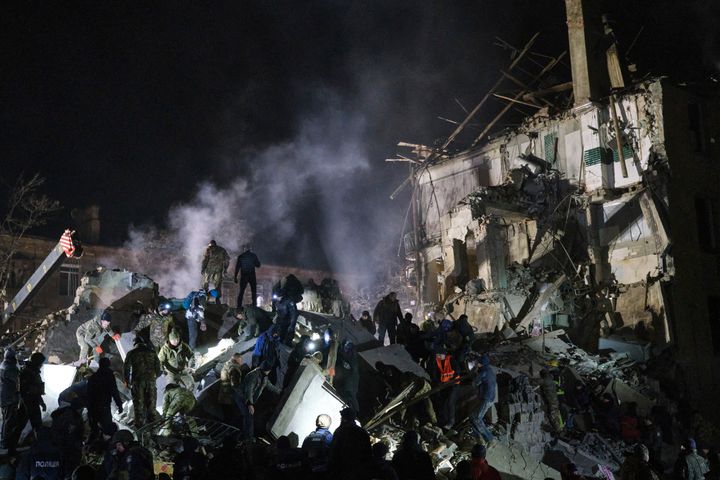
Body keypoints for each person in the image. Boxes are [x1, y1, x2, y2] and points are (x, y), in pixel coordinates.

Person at [5, 352, 47, 455]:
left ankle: (13, 448)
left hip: (31, 402)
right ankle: (13, 448)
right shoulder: (27, 372)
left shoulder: (32, 371)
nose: (41, 365)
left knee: (26, 426)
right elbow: (24, 391)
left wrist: (41, 402)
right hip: (28, 402)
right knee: (33, 426)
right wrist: (28, 405)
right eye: (40, 362)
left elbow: (36, 390)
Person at [123, 335, 161, 428]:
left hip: (138, 382)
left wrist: (127, 381)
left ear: (135, 344)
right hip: (151, 381)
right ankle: (153, 428)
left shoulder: (131, 353)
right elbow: (158, 369)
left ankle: (140, 428)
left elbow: (126, 369)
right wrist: (153, 377)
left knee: (139, 406)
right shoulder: (152, 352)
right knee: (151, 405)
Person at [240, 362, 282, 439]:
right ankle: (248, 437)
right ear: (266, 370)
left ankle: (249, 434)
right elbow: (248, 390)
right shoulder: (253, 376)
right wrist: (250, 403)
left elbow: (269, 386)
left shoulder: (264, 376)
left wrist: (280, 392)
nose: (269, 372)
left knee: (250, 416)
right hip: (243, 398)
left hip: (252, 398)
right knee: (248, 416)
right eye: (269, 370)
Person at [328, 408, 372, 480]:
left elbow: (333, 451)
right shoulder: (361, 432)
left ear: (344, 418)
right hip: (357, 470)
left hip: (340, 470)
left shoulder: (339, 431)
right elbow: (368, 453)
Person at [87, 357, 123, 441]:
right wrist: (119, 405)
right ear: (108, 365)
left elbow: (88, 394)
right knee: (107, 430)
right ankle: (106, 449)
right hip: (104, 407)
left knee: (95, 431)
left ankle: (93, 449)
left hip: (93, 408)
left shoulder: (93, 377)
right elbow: (114, 391)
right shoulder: (109, 376)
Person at [428, 348, 460, 430]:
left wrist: (452, 380)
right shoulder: (436, 361)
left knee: (450, 402)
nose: (438, 357)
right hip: (444, 385)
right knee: (440, 402)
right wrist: (437, 382)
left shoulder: (451, 360)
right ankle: (442, 421)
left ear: (444, 354)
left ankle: (451, 422)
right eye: (437, 355)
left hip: (453, 384)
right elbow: (434, 373)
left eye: (439, 355)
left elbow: (457, 371)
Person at [470, 353, 496, 443]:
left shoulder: (483, 372)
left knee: (476, 419)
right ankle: (479, 439)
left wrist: (475, 372)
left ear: (481, 363)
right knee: (473, 416)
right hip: (490, 397)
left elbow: (474, 383)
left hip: (486, 398)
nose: (476, 364)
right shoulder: (490, 370)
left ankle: (490, 439)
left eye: (478, 363)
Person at [0, 348, 19, 450]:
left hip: (6, 397)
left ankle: (5, 441)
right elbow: (16, 379)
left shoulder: (3, 365)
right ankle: (4, 442)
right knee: (8, 421)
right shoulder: (9, 367)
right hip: (9, 398)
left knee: (7, 420)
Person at [218, 353, 244, 423]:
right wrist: (243, 396)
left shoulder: (227, 364)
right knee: (234, 416)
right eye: (241, 360)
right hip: (230, 397)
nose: (242, 362)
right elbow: (235, 385)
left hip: (223, 394)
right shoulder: (234, 369)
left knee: (227, 415)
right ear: (237, 360)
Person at [335, 340, 360, 413]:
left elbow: (347, 359)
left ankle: (355, 411)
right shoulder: (348, 357)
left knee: (351, 395)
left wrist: (340, 348)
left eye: (346, 347)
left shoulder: (352, 358)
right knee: (349, 394)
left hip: (351, 379)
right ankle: (353, 410)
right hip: (349, 378)